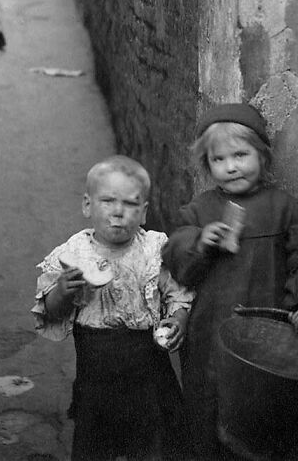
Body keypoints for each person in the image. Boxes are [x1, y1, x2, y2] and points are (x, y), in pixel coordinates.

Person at [162, 103, 298, 461]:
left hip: (267, 333)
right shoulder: (198, 211)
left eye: (241, 154)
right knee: (210, 405)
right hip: (211, 333)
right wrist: (201, 241)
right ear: (208, 164)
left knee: (264, 414)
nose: (232, 166)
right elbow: (176, 262)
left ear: (262, 156)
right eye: (219, 159)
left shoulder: (286, 207)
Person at [32, 155, 194, 461]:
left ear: (144, 212)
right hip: (97, 374)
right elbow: (49, 313)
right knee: (95, 446)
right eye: (107, 200)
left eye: (131, 204)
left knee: (153, 445)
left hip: (148, 372)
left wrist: (177, 319)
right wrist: (63, 293)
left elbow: (178, 294)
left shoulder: (154, 250)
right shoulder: (71, 254)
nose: (118, 212)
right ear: (87, 205)